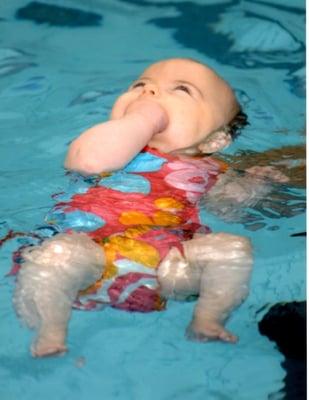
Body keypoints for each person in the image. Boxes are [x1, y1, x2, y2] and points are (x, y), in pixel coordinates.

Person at [14, 58, 276, 357]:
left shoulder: (212, 168)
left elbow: (228, 209)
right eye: (140, 85)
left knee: (232, 248)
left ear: (216, 139)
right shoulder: (106, 142)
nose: (149, 94)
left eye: (181, 89)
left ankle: (207, 321)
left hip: (168, 268)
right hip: (89, 254)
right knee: (57, 254)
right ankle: (51, 333)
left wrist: (255, 187)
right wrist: (143, 120)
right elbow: (89, 163)